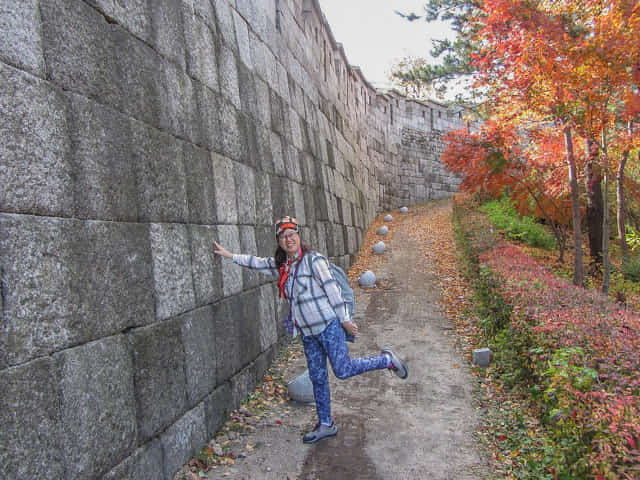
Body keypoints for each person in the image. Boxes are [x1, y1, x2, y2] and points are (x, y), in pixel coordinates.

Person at [213, 216, 408, 444]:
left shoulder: (314, 260)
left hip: (328, 327)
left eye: (292, 234)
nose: (289, 239)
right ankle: (326, 423)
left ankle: (386, 360)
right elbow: (257, 262)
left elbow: (333, 290)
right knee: (318, 378)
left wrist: (345, 319)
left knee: (343, 370)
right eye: (284, 236)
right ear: (279, 241)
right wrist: (230, 256)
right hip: (307, 333)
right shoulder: (284, 266)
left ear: (299, 236)